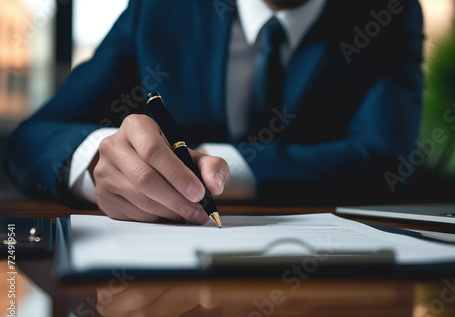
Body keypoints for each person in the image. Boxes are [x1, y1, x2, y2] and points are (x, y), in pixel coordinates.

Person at [4, 0, 424, 223]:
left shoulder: (387, 11)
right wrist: (97, 159)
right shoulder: (161, 8)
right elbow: (33, 137)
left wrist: (229, 168)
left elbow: (385, 161)